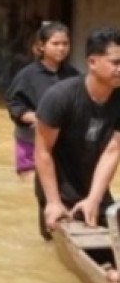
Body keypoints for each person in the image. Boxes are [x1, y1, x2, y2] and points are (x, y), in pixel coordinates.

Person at [33, 27, 120, 233]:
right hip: (57, 188)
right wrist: (53, 202)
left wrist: (94, 199)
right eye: (116, 63)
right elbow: (42, 151)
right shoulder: (60, 97)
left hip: (94, 185)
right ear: (92, 62)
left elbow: (113, 151)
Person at [7, 22, 78, 239]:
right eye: (55, 43)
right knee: (41, 188)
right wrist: (36, 119)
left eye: (65, 44)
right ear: (41, 46)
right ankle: (47, 235)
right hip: (34, 141)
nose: (61, 48)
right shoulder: (28, 75)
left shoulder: (74, 75)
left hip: (63, 143)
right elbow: (14, 104)